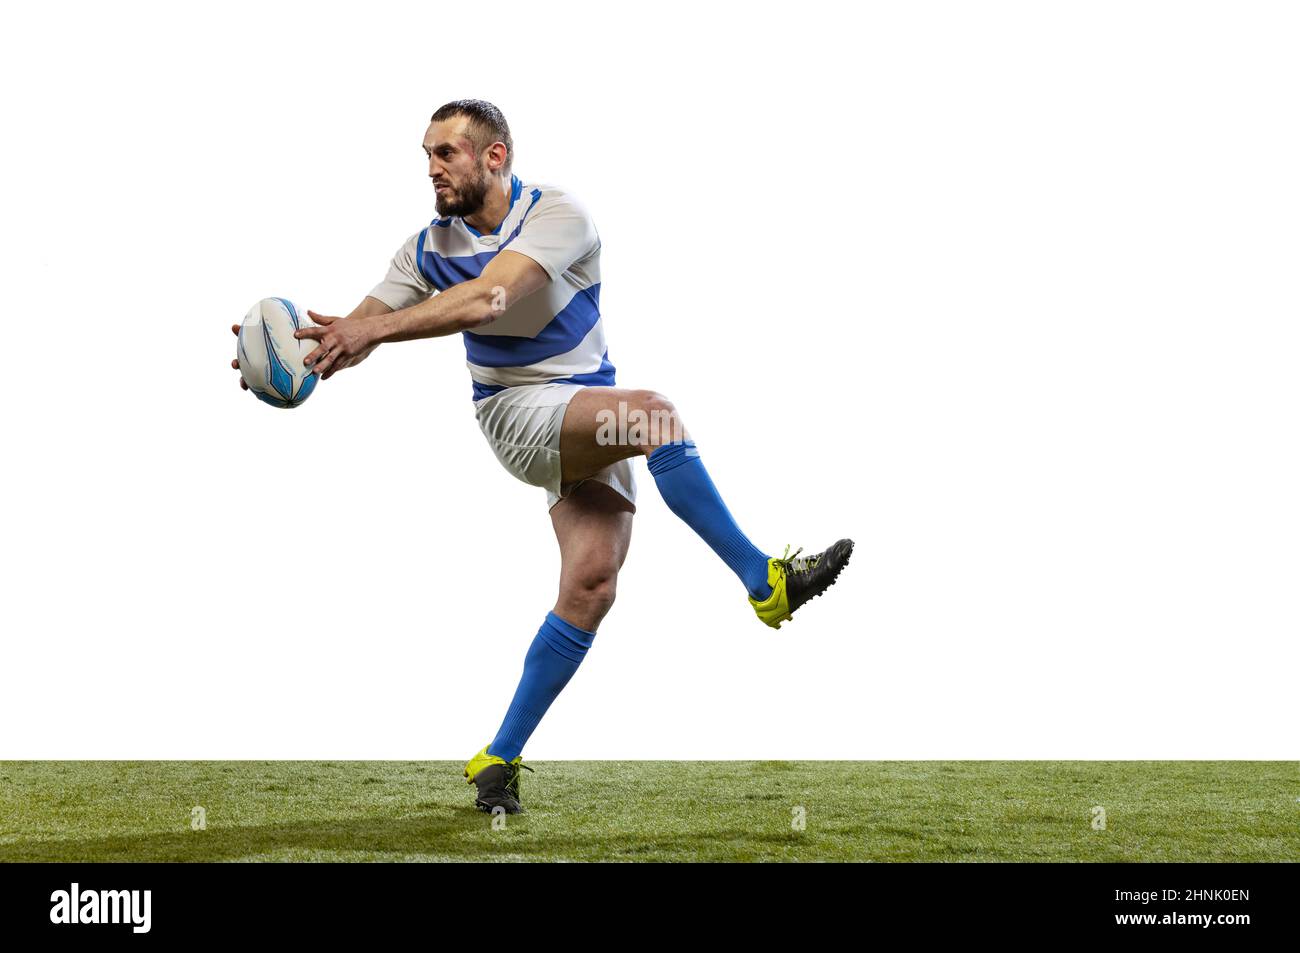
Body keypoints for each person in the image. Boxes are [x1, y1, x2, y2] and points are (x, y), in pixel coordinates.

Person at [230, 100, 853, 814]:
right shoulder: (424, 248)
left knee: (591, 584)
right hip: (517, 414)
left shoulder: (559, 215)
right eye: (427, 155)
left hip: (585, 402)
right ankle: (766, 580)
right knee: (654, 418)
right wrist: (290, 354)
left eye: (447, 154)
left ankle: (497, 758)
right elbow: (362, 324)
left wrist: (374, 331)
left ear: (495, 156)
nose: (432, 168)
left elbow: (491, 297)